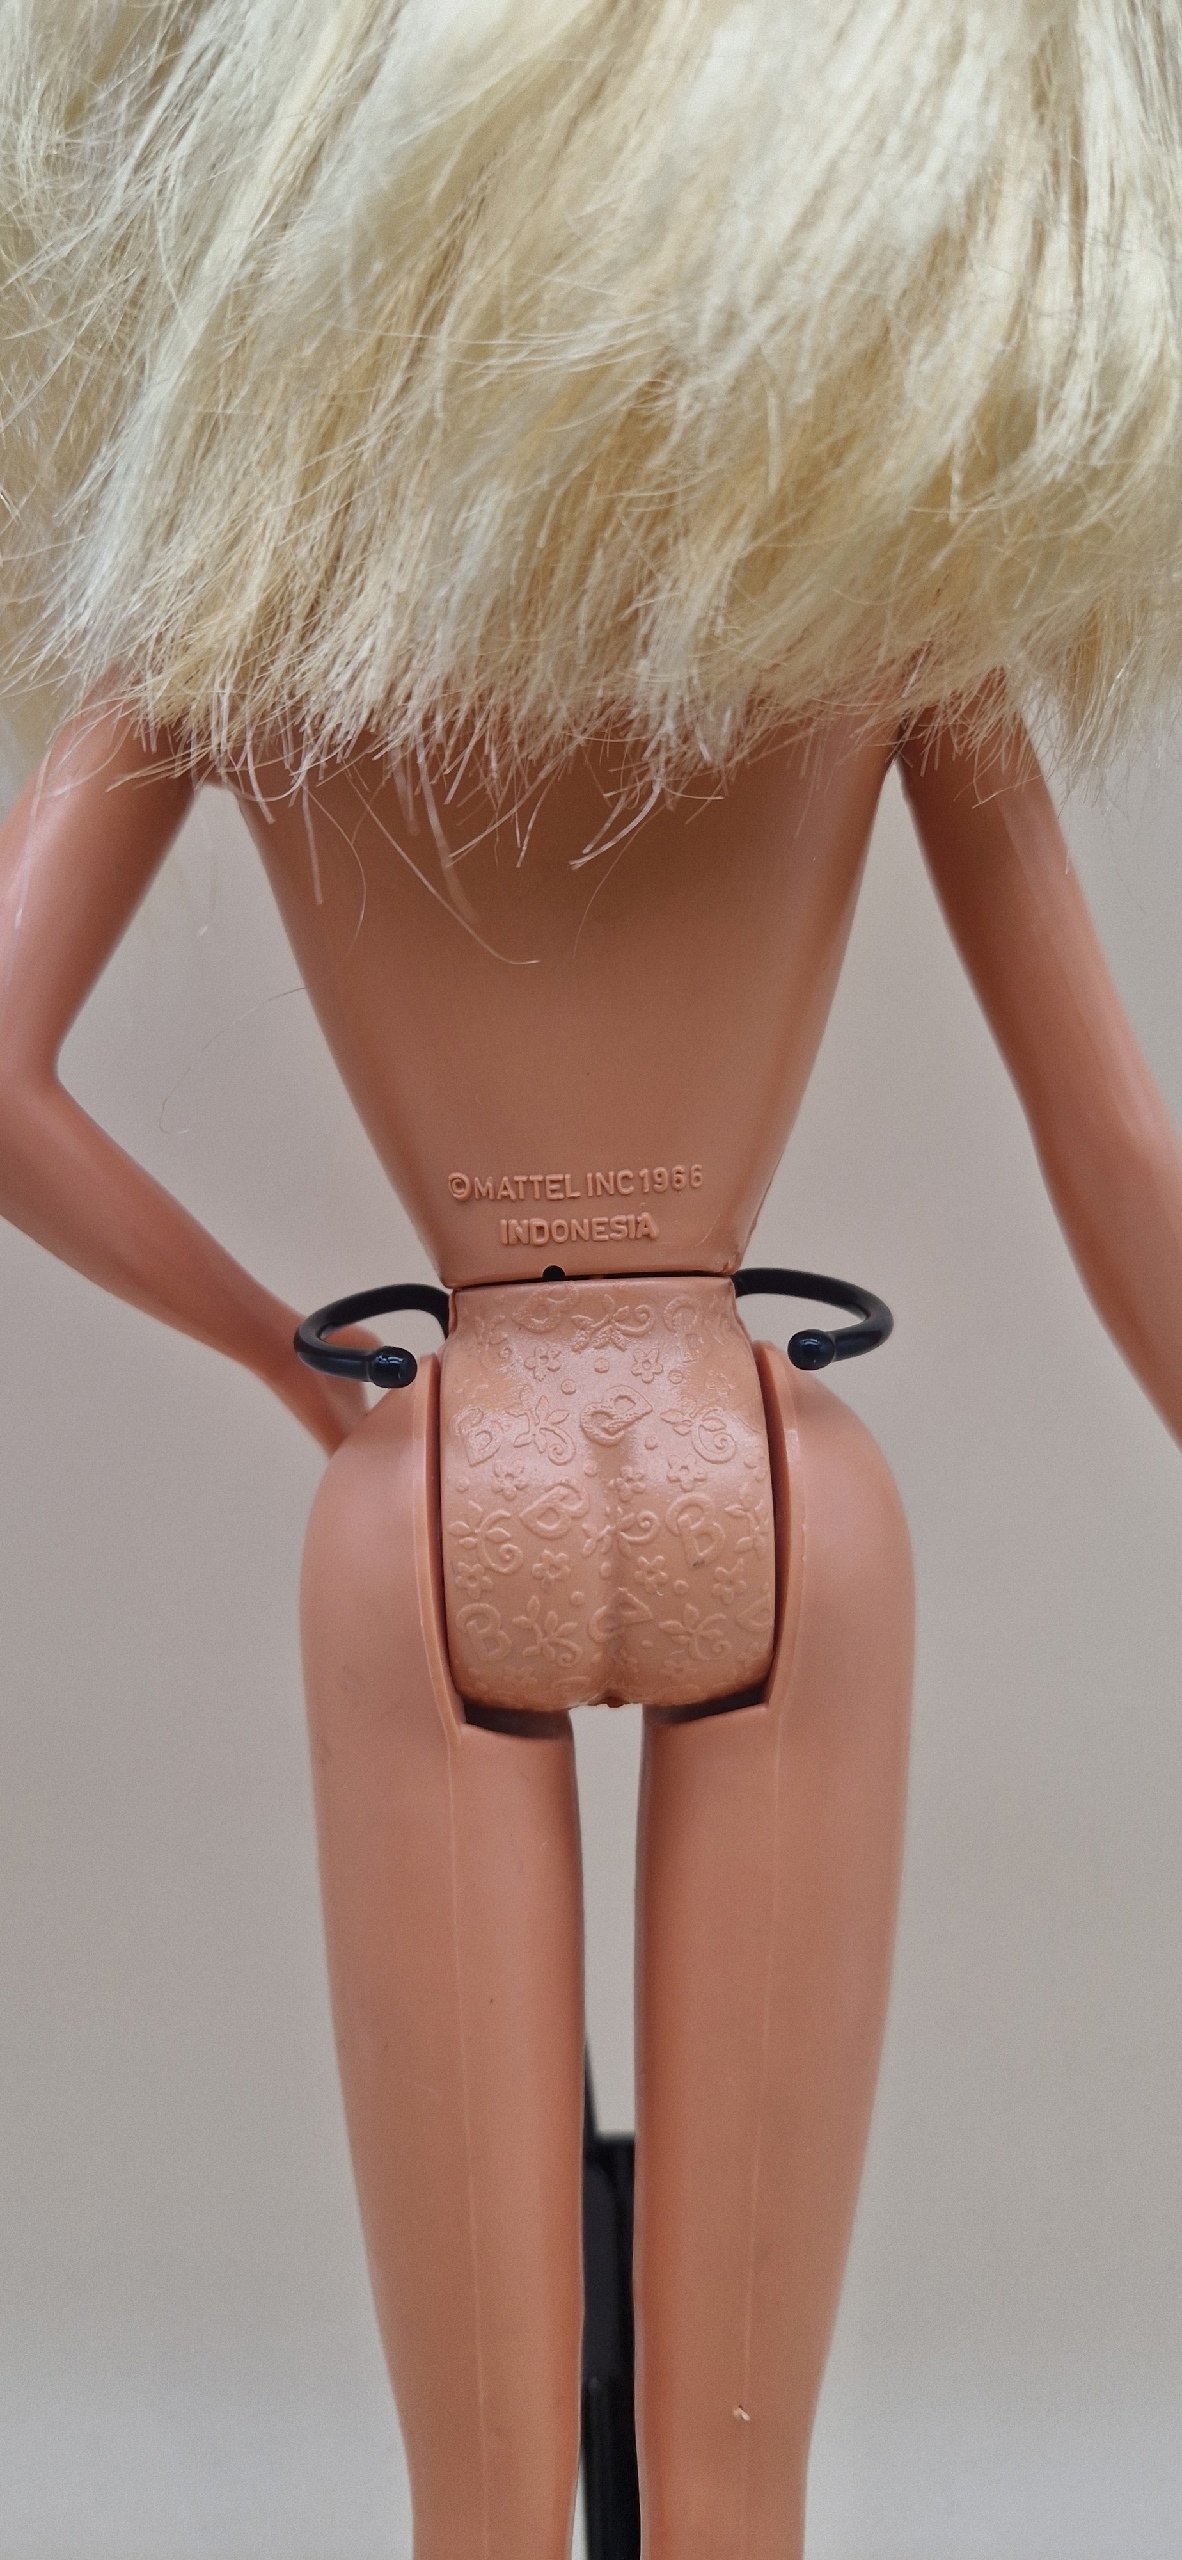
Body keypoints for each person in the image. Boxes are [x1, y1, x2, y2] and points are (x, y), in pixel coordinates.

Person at [3, 8, 1182, 2555]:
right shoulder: (881, 590)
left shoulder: (232, 591)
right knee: (741, 2485)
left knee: (480, 2493)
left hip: (437, 1496)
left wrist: (300, 1360)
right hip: (778, 1484)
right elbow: (1118, 1153)